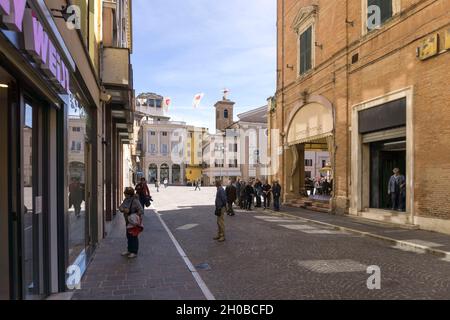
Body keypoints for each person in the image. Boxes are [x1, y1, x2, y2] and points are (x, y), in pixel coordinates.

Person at [119, 187, 144, 259]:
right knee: (128, 236)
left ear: (129, 194)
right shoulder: (126, 200)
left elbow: (141, 210)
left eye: (125, 194)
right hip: (127, 220)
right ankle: (129, 250)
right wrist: (122, 209)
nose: (124, 195)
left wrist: (132, 213)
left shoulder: (135, 201)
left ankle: (134, 252)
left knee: (133, 236)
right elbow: (121, 207)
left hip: (133, 222)